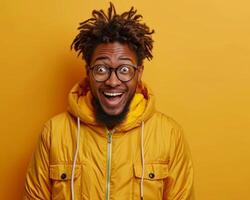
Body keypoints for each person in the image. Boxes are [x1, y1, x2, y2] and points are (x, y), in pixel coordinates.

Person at [24, 3, 194, 200]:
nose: (112, 82)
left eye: (124, 70)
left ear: (138, 73)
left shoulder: (169, 134)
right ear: (88, 72)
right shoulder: (54, 133)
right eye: (102, 69)